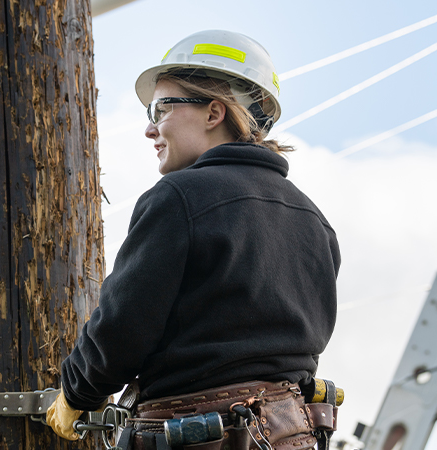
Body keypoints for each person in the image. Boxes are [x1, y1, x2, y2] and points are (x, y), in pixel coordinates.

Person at [46, 30, 340, 450]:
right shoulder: (313, 219)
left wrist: (77, 392)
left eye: (161, 108)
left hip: (197, 434)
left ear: (213, 112)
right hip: (290, 433)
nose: (150, 128)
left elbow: (124, 327)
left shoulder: (179, 197)